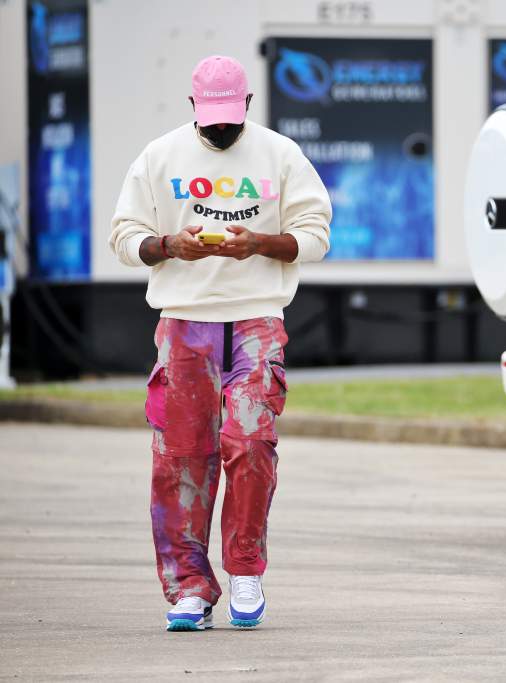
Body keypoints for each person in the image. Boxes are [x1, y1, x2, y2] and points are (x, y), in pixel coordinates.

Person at [109, 55, 331, 631]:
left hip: (257, 319)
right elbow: (124, 235)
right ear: (192, 108)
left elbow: (315, 235)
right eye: (210, 120)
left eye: (230, 120)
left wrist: (259, 243)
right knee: (180, 456)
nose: (221, 129)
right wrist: (166, 246)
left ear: (249, 107)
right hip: (184, 323)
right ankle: (188, 589)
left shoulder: (281, 154)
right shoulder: (159, 156)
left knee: (251, 443)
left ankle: (246, 568)